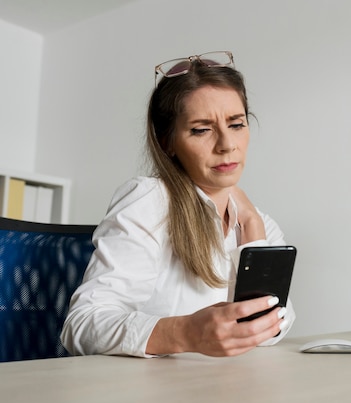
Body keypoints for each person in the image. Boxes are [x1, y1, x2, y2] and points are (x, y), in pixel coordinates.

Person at [61, 51, 295, 358]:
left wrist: (252, 226)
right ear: (167, 142)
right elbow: (82, 326)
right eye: (201, 129)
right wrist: (187, 332)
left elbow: (272, 328)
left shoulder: (259, 223)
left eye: (236, 124)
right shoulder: (149, 201)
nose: (226, 144)